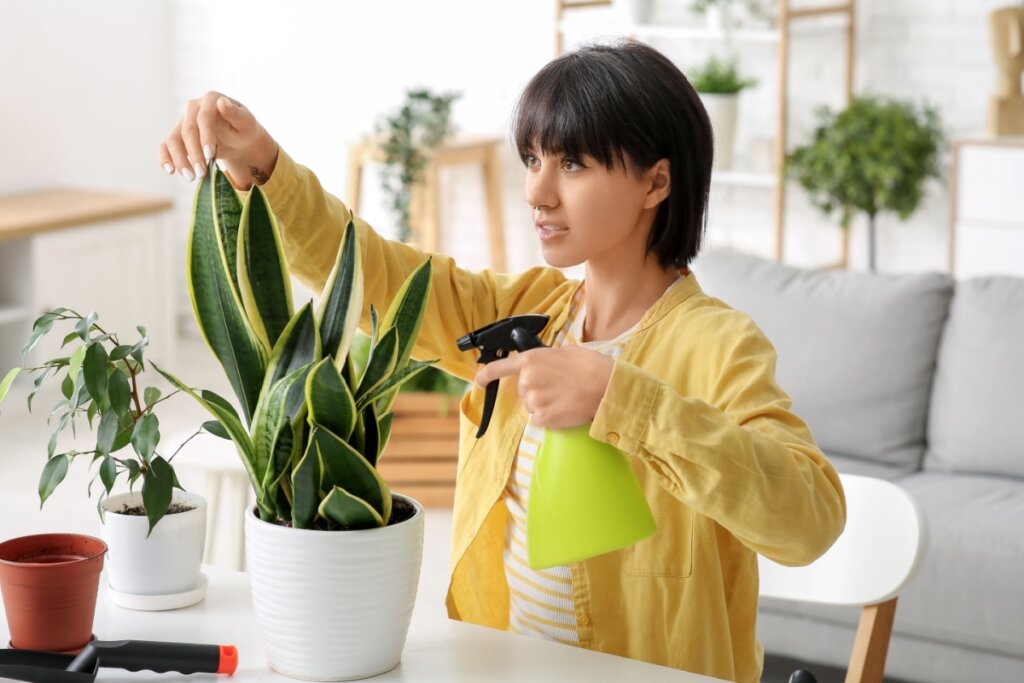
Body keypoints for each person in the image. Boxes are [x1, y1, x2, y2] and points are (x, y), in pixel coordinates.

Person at [159, 40, 845, 683]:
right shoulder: (532, 310)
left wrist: (620, 396)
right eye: (533, 159)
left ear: (656, 182)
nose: (537, 192)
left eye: (572, 164)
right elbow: (382, 280)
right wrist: (263, 164)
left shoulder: (719, 345)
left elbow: (810, 516)